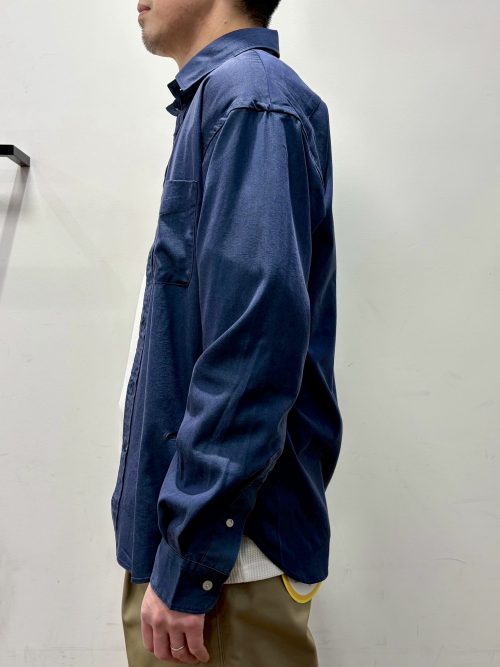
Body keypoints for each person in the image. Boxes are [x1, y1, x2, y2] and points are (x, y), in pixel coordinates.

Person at [110, 0, 343, 664]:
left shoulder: (250, 99)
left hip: (219, 571)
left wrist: (192, 560)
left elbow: (253, 350)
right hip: (198, 553)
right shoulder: (227, 99)